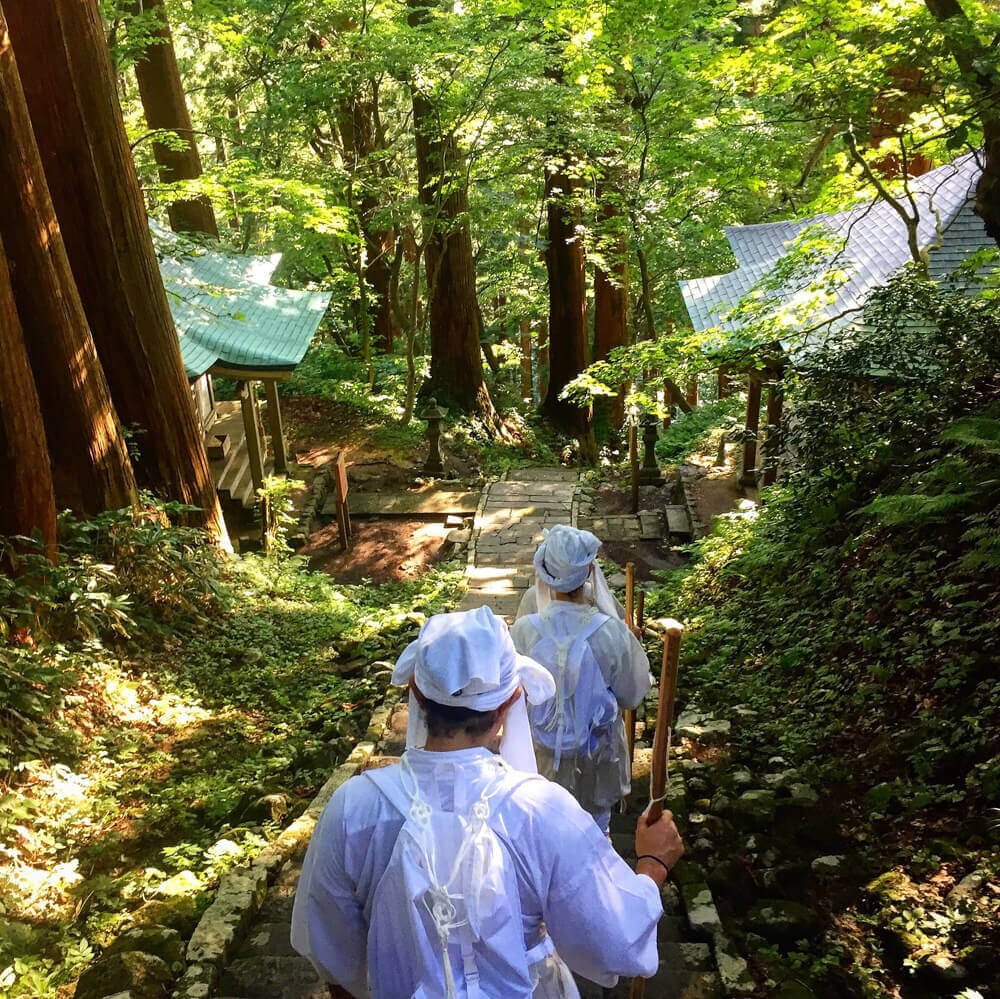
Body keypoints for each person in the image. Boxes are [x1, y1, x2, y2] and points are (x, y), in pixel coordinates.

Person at [291, 605, 683, 999]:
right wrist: (652, 863)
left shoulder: (352, 809)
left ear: (414, 693)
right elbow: (615, 939)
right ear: (510, 701)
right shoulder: (541, 811)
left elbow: (333, 957)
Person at [510, 525, 650, 834]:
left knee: (542, 836)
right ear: (588, 570)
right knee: (595, 836)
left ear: (544, 572)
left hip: (540, 763)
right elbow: (632, 693)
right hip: (596, 765)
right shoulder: (611, 632)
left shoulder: (523, 632)